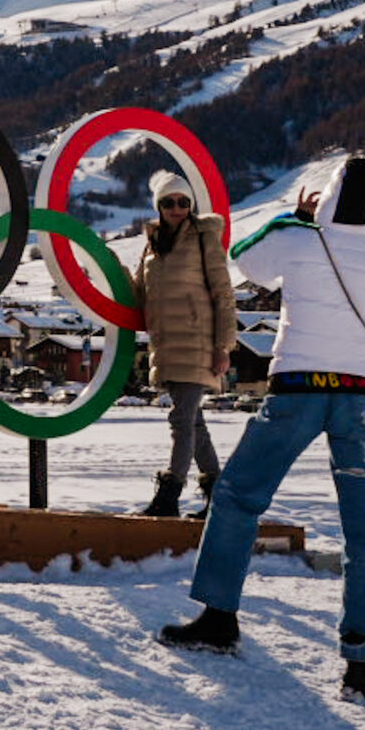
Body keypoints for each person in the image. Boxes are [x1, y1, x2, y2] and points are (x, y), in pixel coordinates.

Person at [158, 154, 365, 699]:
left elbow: (244, 260)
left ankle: (219, 618)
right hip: (362, 399)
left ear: (329, 194)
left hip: (297, 390)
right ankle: (359, 665)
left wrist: (297, 217)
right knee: (364, 534)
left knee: (238, 497)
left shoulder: (298, 236)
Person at [134, 169, 237, 517]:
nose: (177, 208)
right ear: (158, 206)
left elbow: (223, 292)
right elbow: (138, 293)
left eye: (183, 202)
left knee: (181, 419)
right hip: (166, 345)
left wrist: (223, 345)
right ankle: (218, 496)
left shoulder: (203, 235)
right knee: (193, 423)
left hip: (198, 341)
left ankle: (169, 495)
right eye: (169, 202)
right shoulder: (152, 244)